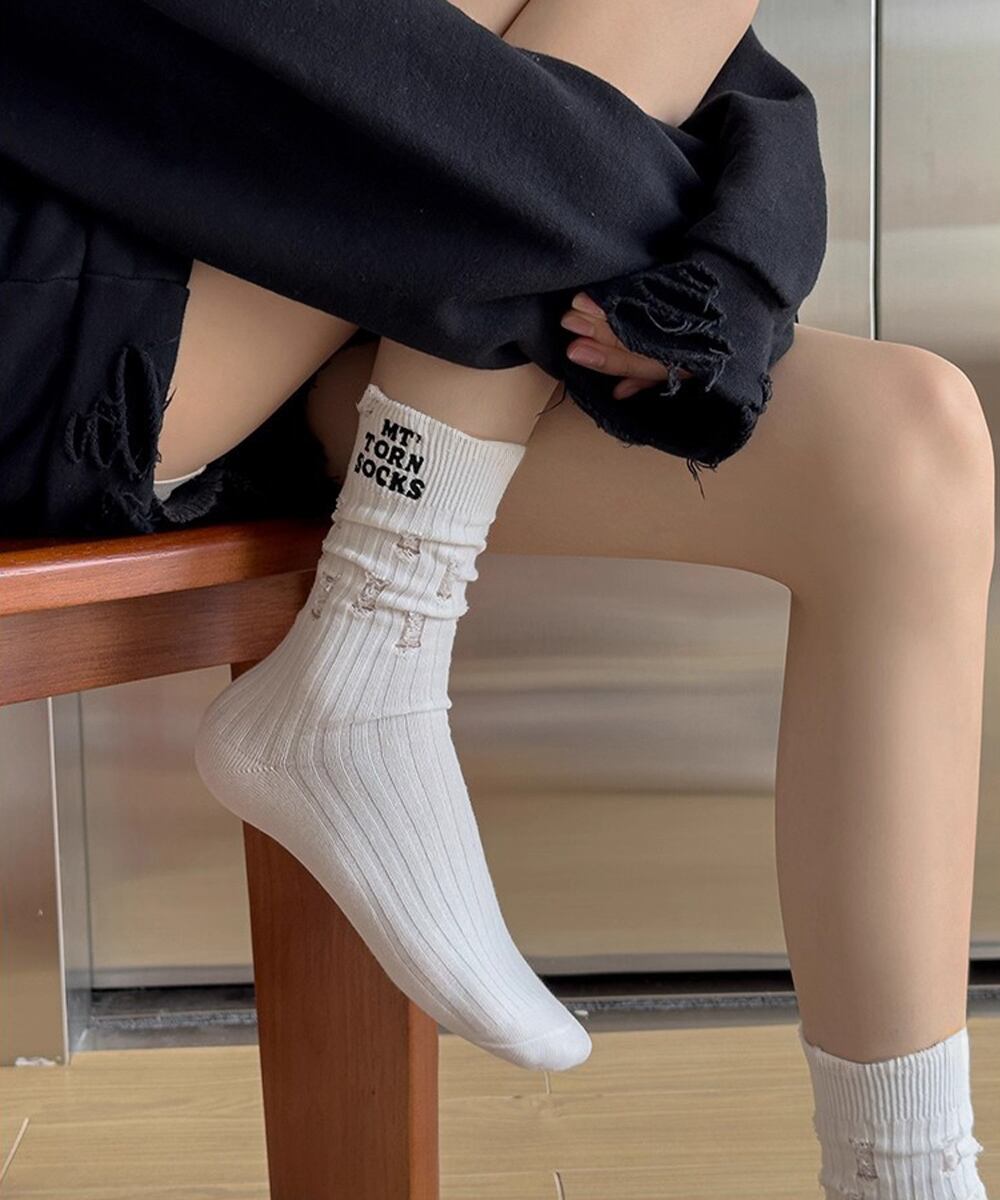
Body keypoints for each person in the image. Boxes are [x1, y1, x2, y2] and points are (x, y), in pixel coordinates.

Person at [2, 1, 993, 1196]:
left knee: (907, 454)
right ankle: (385, 621)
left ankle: (906, 1177)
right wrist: (657, 249)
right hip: (91, 299)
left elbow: (706, 63)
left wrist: (721, 277)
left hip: (342, 283)